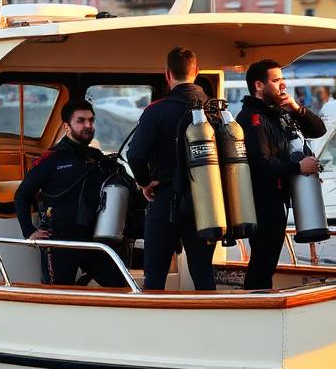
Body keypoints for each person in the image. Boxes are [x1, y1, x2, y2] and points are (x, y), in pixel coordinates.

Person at [127, 47, 216, 291]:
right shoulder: (215, 111)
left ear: (167, 74)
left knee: (155, 274)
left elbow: (134, 155)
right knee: (203, 272)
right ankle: (213, 323)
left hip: (165, 197)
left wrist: (145, 182)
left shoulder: (156, 111)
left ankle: (154, 327)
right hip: (207, 201)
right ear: (197, 71)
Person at [14, 100, 127, 287]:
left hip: (93, 239)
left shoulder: (98, 158)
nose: (88, 126)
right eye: (81, 121)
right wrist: (29, 232)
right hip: (59, 241)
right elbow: (22, 195)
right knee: (58, 297)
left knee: (119, 286)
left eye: (91, 120)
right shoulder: (51, 160)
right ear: (67, 126)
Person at [237, 59, 326, 290]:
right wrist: (298, 168)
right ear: (259, 85)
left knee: (267, 262)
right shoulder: (252, 119)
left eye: (282, 80)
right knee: (262, 263)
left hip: (277, 199)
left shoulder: (278, 114)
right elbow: (260, 163)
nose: (282, 85)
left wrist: (297, 109)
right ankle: (255, 304)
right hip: (262, 202)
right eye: (276, 81)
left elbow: (318, 130)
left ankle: (259, 303)